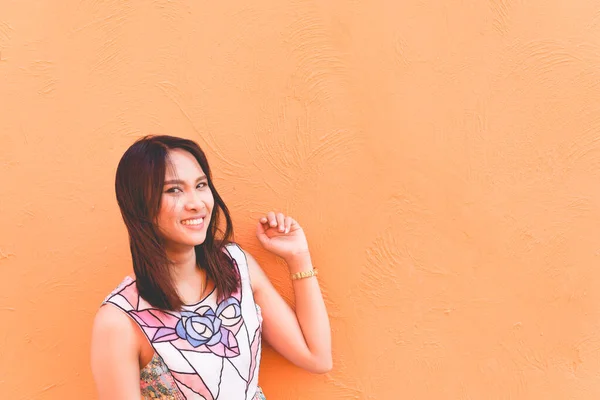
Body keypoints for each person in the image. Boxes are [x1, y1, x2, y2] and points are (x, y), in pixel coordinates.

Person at [90, 135, 332, 399]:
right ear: (139, 205)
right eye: (173, 190)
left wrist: (298, 257)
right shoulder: (120, 320)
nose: (196, 203)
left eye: (201, 185)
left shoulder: (235, 266)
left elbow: (317, 357)